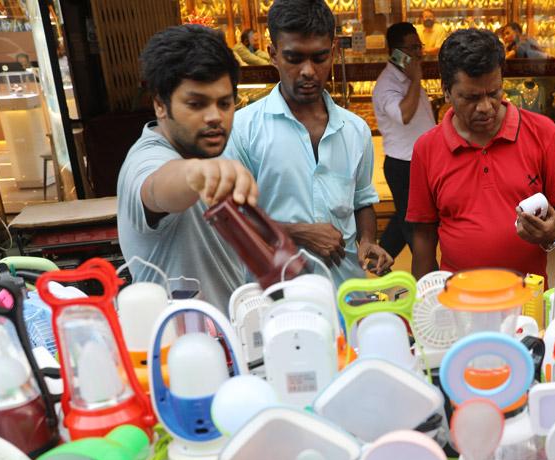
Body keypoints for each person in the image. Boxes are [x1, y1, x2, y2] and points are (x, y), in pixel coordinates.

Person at [225, 0, 392, 285]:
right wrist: (299, 232)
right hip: (277, 294)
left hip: (346, 290)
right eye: (294, 58)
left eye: (319, 57)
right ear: (273, 55)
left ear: (333, 52)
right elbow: (231, 220)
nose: (308, 71)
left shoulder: (355, 130)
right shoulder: (243, 129)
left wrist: (366, 242)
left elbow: (361, 202)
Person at [407, 29, 555, 281]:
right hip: (458, 300)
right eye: (471, 97)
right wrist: (423, 299)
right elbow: (423, 235)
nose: (485, 107)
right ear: (446, 90)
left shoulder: (543, 132)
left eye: (494, 93)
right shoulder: (427, 148)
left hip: (526, 300)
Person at [117, 25, 254, 309]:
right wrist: (196, 173)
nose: (215, 116)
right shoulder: (146, 159)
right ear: (160, 105)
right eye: (196, 104)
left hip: (232, 339)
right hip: (175, 347)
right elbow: (157, 188)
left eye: (225, 103)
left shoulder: (209, 147)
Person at [373, 22, 436, 259]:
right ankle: (429, 275)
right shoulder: (387, 85)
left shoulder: (408, 78)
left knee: (406, 218)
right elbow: (404, 115)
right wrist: (417, 77)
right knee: (414, 225)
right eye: (412, 48)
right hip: (403, 165)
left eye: (418, 46)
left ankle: (379, 258)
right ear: (395, 51)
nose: (418, 52)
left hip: (420, 160)